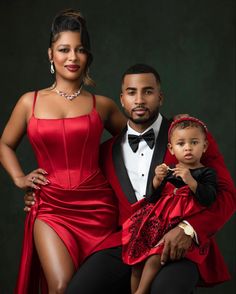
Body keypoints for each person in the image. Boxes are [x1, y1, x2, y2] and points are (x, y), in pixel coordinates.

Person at [25, 64, 235, 294]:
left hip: (179, 243)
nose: (140, 100)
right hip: (127, 241)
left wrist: (189, 229)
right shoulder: (105, 152)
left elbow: (227, 196)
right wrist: (41, 194)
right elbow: (79, 186)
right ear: (122, 99)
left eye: (148, 91)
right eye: (132, 92)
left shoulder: (190, 137)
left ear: (160, 97)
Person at [0, 9, 127, 294]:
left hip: (98, 207)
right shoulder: (28, 102)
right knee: (61, 286)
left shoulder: (102, 105)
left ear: (88, 56)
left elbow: (138, 144)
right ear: (50, 54)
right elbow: (4, 144)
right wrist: (19, 178)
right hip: (51, 208)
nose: (72, 57)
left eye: (80, 50)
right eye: (64, 49)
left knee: (98, 287)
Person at [122, 116, 217, 294]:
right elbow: (152, 198)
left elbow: (209, 199)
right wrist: (157, 181)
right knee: (136, 265)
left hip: (175, 229)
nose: (188, 148)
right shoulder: (169, 170)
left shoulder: (206, 173)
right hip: (155, 225)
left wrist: (190, 180)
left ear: (204, 146)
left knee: (154, 259)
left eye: (194, 142)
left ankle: (140, 292)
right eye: (181, 144)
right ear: (171, 149)